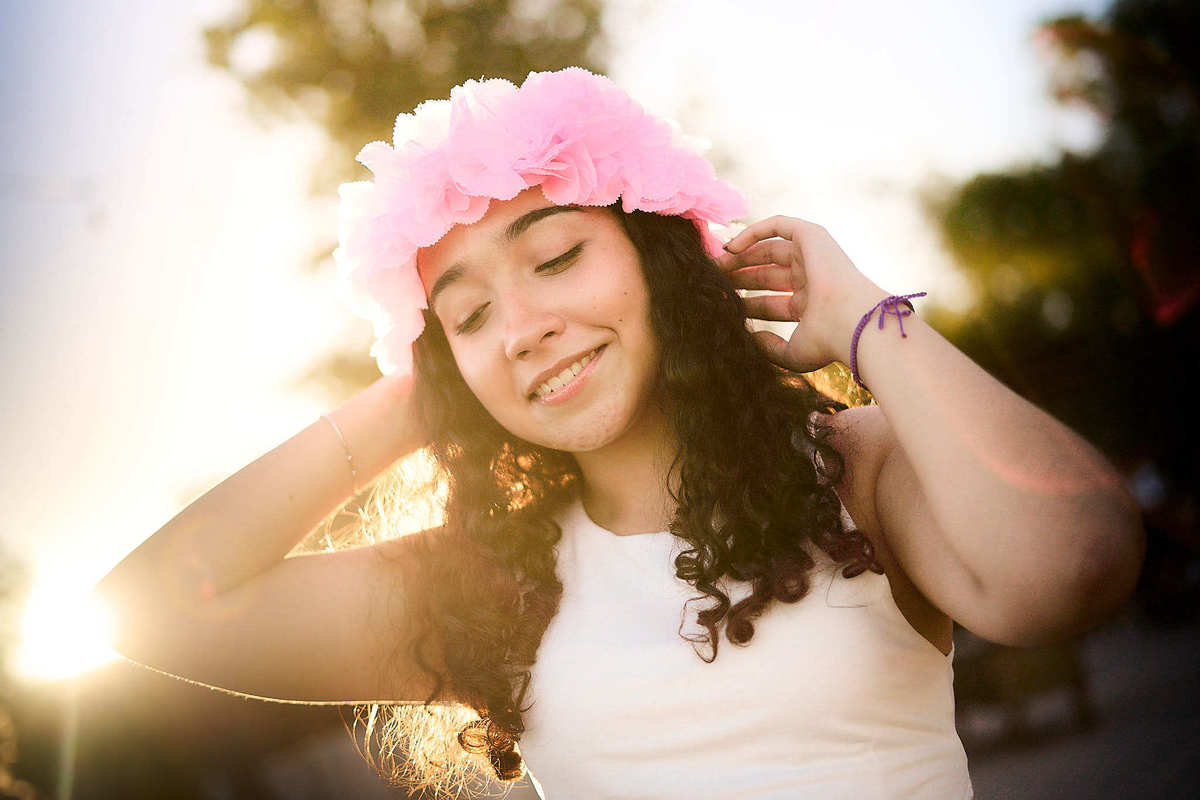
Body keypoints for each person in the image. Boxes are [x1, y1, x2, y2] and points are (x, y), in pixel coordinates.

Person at [91, 68, 1145, 799]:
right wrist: (423, 394)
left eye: (555, 259)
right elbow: (146, 615)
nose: (523, 325)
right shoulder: (487, 585)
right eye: (467, 312)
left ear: (660, 262)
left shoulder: (856, 466)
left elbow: (1075, 564)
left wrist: (871, 321)